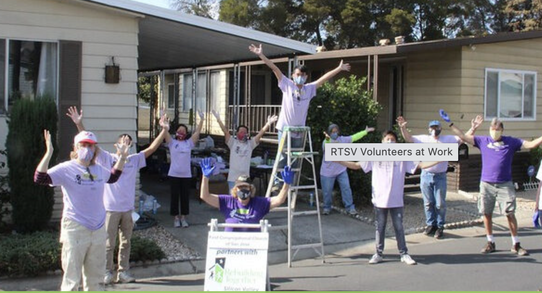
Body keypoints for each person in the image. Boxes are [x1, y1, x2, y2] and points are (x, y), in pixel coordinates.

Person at [66, 106, 170, 284]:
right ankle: (107, 272)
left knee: (126, 243)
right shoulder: (107, 158)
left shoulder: (134, 159)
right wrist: (79, 123)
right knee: (108, 244)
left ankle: (123, 272)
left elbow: (152, 148)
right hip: (110, 210)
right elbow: (89, 143)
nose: (125, 143)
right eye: (122, 140)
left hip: (127, 209)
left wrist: (164, 130)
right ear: (116, 145)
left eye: (128, 141)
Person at [34, 130, 129, 291]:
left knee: (96, 279)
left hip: (98, 229)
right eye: (83, 145)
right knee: (72, 278)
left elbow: (113, 177)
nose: (87, 149)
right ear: (76, 148)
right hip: (75, 228)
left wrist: (122, 158)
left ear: (95, 149)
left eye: (90, 146)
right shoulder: (66, 168)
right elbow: (40, 178)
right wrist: (49, 152)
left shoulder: (98, 169)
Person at [340, 130, 439, 265]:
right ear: (382, 141)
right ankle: (378, 253)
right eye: (387, 139)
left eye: (392, 139)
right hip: (379, 199)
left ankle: (404, 254)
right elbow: (357, 165)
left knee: (398, 227)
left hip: (396, 199)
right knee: (379, 227)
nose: (390, 142)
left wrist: (439, 158)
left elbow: (420, 165)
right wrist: (338, 160)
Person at [450, 116, 542, 255]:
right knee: (486, 213)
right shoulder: (483, 141)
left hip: (505, 184)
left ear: (502, 130)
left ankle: (516, 244)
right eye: (492, 129)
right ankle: (490, 242)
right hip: (486, 184)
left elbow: (531, 144)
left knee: (510, 213)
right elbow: (463, 137)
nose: (494, 132)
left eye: (497, 129)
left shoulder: (511, 142)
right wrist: (451, 124)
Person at [396, 115, 482, 239]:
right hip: (426, 175)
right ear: (429, 129)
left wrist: (473, 128)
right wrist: (403, 128)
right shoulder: (424, 139)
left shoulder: (447, 139)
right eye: (432, 127)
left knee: (440, 203)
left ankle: (440, 226)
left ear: (441, 129)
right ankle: (431, 224)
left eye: (437, 127)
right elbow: (409, 138)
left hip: (440, 176)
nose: (435, 129)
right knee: (428, 203)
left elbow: (463, 138)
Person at [249, 44, 351, 142]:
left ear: (306, 77)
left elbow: (324, 78)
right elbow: (275, 68)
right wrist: (261, 55)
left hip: (299, 131)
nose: (300, 77)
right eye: (298, 74)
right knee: (284, 158)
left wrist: (339, 68)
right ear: (293, 75)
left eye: (303, 75)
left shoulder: (309, 88)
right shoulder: (287, 84)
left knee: (297, 158)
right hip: (285, 129)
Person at [199, 157, 294, 232]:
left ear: (251, 188)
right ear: (235, 189)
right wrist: (205, 177)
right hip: (229, 249)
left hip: (252, 251)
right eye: (240, 187)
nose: (243, 190)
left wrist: (286, 184)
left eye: (245, 187)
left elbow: (279, 200)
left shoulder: (259, 203)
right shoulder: (227, 202)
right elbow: (205, 196)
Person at [212, 109, 278, 191]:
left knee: (244, 199)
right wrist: (218, 120)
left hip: (245, 179)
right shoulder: (233, 143)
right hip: (233, 179)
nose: (243, 134)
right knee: (233, 200)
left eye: (245, 132)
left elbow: (260, 134)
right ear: (237, 133)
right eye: (241, 132)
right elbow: (225, 132)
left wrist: (268, 124)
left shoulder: (250, 144)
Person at [320, 123, 375, 215]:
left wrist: (365, 132)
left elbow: (354, 137)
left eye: (336, 131)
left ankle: (350, 208)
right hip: (327, 172)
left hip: (341, 170)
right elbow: (326, 145)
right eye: (332, 132)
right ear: (329, 133)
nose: (335, 133)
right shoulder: (326, 141)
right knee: (327, 191)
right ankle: (327, 208)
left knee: (346, 189)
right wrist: (327, 139)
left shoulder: (343, 139)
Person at [164, 110, 205, 228]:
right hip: (174, 174)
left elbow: (197, 132)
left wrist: (201, 120)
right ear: (176, 132)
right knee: (174, 196)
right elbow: (165, 132)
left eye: (183, 130)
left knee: (185, 197)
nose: (181, 132)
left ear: (186, 133)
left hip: (186, 175)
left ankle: (184, 218)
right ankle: (176, 218)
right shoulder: (172, 142)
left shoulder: (189, 143)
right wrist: (164, 123)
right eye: (179, 130)